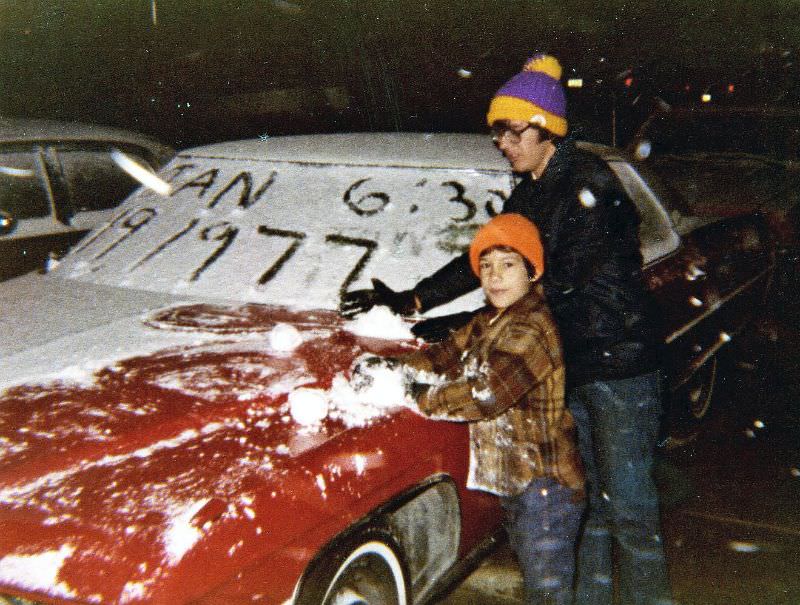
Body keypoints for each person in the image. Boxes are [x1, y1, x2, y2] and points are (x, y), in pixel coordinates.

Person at [341, 54, 673, 605]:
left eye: (510, 130)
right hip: (575, 370)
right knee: (586, 509)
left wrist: (461, 325)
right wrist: (414, 299)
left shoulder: (587, 188)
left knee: (631, 512)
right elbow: (494, 252)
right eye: (496, 130)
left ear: (546, 130)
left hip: (619, 372)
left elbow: (561, 293)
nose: (500, 142)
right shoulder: (536, 186)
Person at [354, 213, 584, 605]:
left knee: (547, 589)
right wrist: (393, 368)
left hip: (545, 486)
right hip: (517, 481)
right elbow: (444, 356)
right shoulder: (489, 320)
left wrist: (412, 394)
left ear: (533, 271)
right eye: (486, 267)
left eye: (508, 266)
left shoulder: (531, 328)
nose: (495, 277)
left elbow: (485, 395)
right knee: (538, 577)